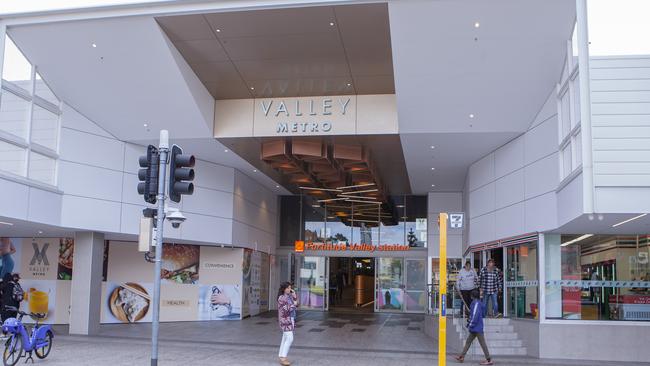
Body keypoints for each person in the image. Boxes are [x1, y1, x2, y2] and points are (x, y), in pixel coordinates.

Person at [454, 289, 493, 365]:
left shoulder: (476, 304)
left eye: (471, 295)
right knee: (468, 342)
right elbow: (480, 314)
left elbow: (474, 315)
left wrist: (470, 324)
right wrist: (470, 323)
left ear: (472, 296)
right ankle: (462, 356)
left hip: (476, 327)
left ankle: (488, 360)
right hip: (476, 327)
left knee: (482, 343)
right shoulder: (479, 303)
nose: (470, 296)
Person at [277, 282, 297, 366]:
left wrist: (294, 295)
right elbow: (285, 309)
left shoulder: (289, 296)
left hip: (290, 319)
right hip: (285, 320)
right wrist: (293, 305)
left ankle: (281, 356)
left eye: (290, 288)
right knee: (290, 338)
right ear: (283, 289)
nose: (289, 289)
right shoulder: (281, 298)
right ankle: (283, 358)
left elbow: (296, 304)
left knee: (285, 338)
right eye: (288, 288)